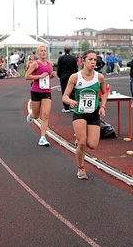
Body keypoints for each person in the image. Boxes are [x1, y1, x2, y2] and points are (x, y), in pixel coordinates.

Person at [62, 49, 107, 179]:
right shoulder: (75, 77)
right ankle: (81, 168)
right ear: (83, 61)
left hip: (93, 113)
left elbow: (104, 93)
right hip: (79, 113)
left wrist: (103, 106)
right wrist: (70, 101)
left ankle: (80, 144)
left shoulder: (99, 77)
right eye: (90, 59)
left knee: (92, 145)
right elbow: (64, 96)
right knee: (82, 142)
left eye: (95, 60)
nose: (93, 62)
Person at [25, 45, 57, 146]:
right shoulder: (35, 64)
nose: (43, 52)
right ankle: (31, 115)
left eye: (45, 51)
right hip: (36, 91)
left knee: (45, 115)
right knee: (36, 114)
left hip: (46, 91)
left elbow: (48, 76)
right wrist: (39, 76)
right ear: (38, 53)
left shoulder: (49, 64)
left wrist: (52, 75)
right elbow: (27, 76)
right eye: (41, 51)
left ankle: (43, 137)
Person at [57, 45, 78, 113]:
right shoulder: (74, 58)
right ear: (70, 50)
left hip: (64, 76)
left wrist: (59, 76)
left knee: (64, 91)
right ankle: (72, 106)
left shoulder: (61, 58)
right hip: (72, 75)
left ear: (64, 50)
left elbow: (59, 68)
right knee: (72, 91)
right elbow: (76, 68)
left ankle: (66, 107)